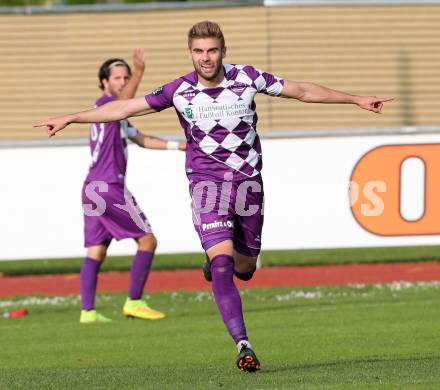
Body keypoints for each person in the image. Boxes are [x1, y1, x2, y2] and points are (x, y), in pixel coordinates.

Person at [35, 22, 392, 369]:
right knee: (223, 266)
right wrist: (72, 116)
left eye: (212, 50)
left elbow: (301, 90)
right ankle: (243, 344)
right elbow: (124, 108)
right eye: (198, 51)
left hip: (248, 185)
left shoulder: (247, 78)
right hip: (207, 185)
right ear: (190, 53)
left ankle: (223, 263)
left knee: (246, 268)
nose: (205, 57)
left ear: (223, 50)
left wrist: (355, 98)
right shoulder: (179, 89)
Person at [67, 49, 185, 324]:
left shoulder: (114, 117)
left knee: (97, 250)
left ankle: (88, 312)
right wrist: (140, 72)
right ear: (104, 83)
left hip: (92, 187)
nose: (123, 81)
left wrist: (180, 146)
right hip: (109, 187)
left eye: (126, 77)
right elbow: (123, 101)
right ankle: (134, 301)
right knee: (148, 240)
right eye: (118, 77)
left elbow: (141, 139)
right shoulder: (106, 105)